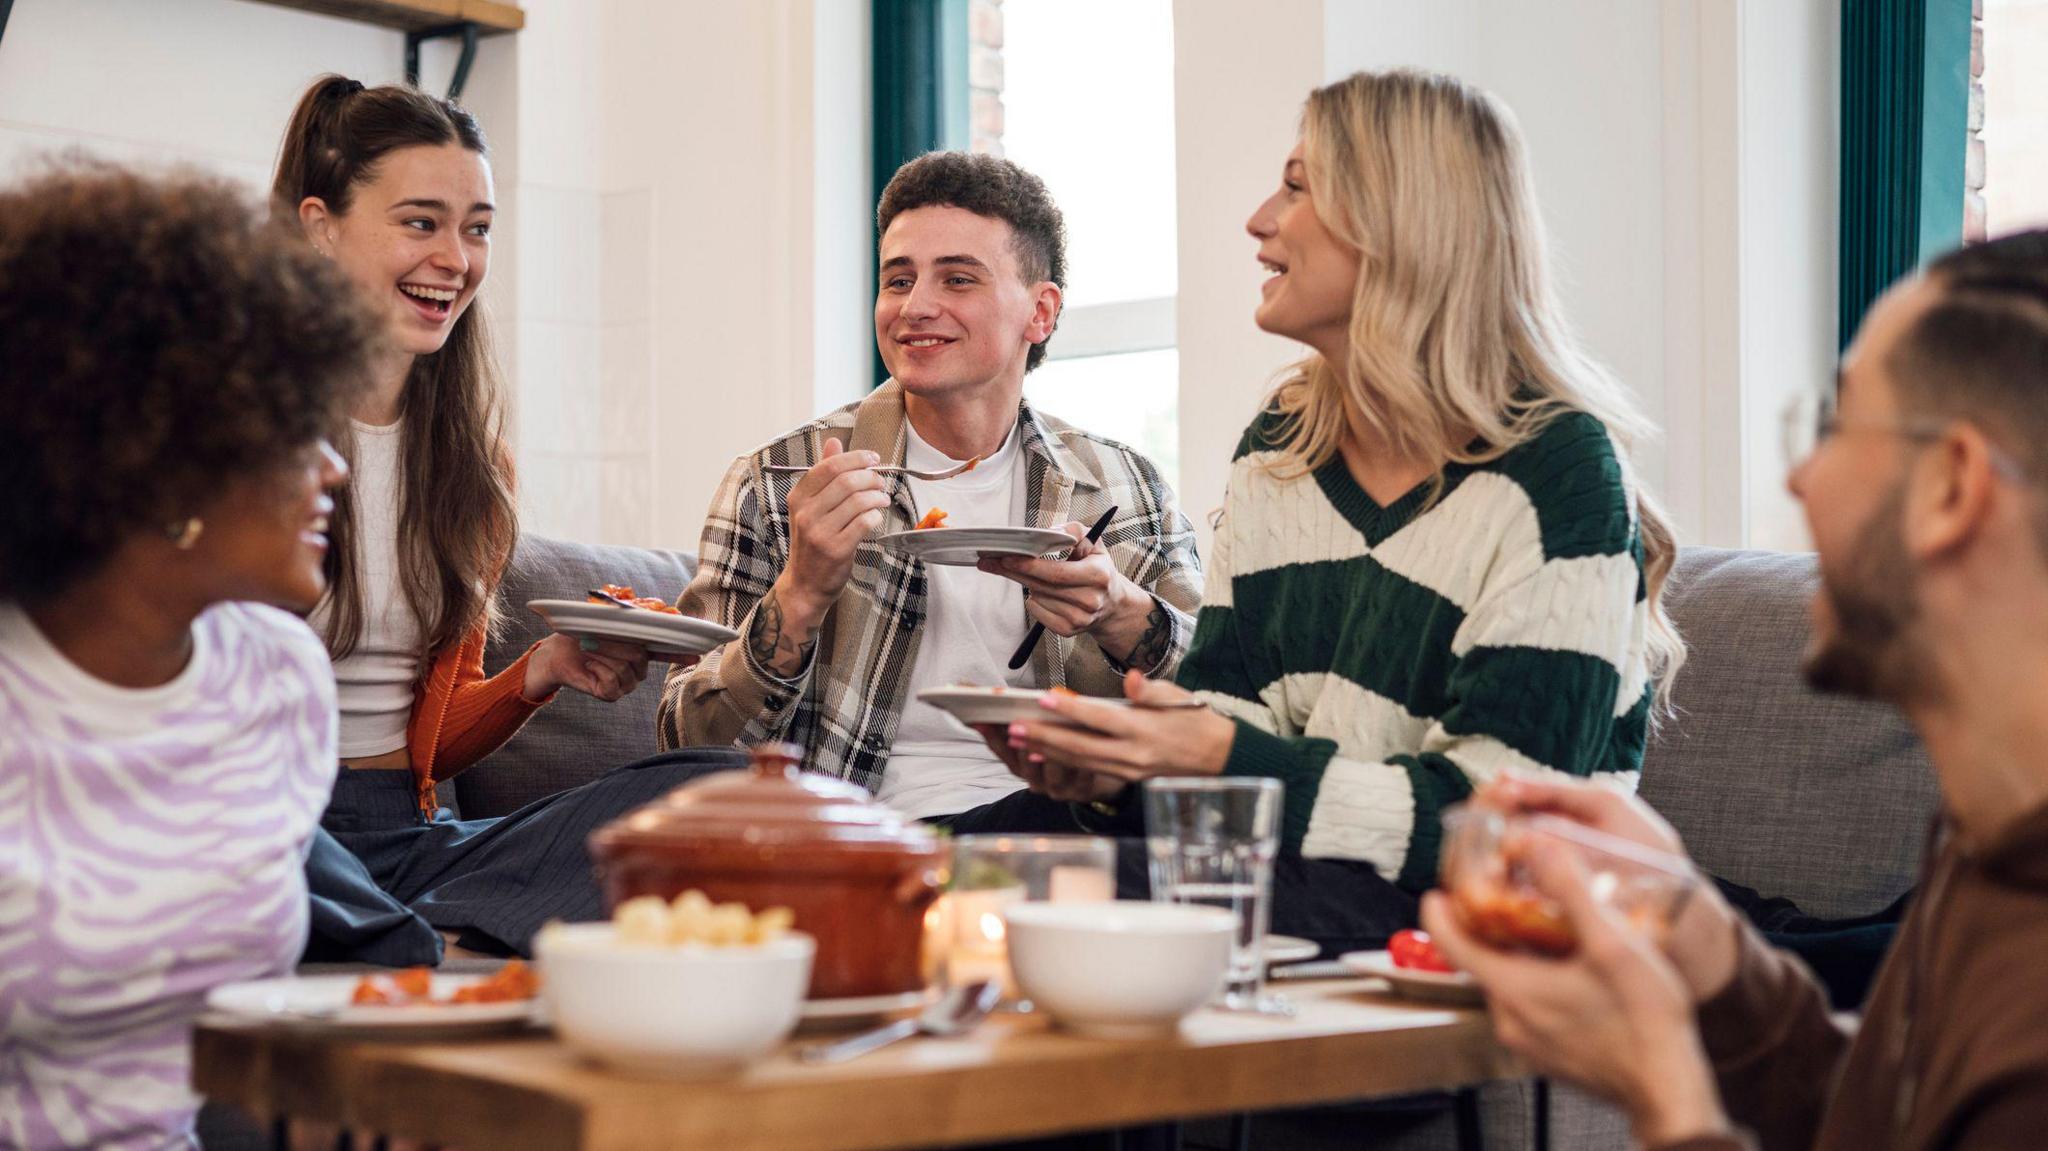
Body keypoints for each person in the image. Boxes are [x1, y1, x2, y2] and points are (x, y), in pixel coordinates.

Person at [1000, 70, 1682, 951]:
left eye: (1296, 185)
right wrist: (1113, 771)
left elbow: (1504, 837)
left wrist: (1210, 756)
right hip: (1295, 874)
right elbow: (1231, 727)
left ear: (1399, 221)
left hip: (1460, 914)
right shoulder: (1282, 450)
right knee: (964, 851)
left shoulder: (1558, 476)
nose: (1258, 221)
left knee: (1048, 896)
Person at [1424, 231, 2048, 1151]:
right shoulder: (1990, 842)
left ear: (1951, 487)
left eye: (1834, 428)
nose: (1800, 474)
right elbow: (1878, 1122)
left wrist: (1663, 1090)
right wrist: (1700, 935)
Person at [274, 76, 737, 963]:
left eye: (476, 227)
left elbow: (428, 746)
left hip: (403, 843)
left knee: (714, 793)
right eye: (421, 221)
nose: (456, 257)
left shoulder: (470, 473)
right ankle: (418, 940)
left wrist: (544, 669)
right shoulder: (244, 436)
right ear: (319, 224)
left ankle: (409, 937)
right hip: (273, 824)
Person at [657, 150, 1202, 833]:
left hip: (1067, 827)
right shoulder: (781, 480)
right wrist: (800, 593)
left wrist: (1120, 612)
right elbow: (685, 747)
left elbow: (1222, 717)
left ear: (1041, 311)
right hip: (857, 837)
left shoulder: (1126, 488)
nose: (915, 307)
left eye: (958, 279)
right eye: (899, 279)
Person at [0, 163, 369, 1150]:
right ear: (157, 450)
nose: (333, 467)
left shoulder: (279, 680)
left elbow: (231, 1050)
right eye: (296, 428)